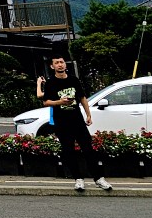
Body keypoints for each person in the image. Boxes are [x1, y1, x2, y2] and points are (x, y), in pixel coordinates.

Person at [37, 56, 110, 193]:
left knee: (88, 149)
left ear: (65, 64)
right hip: (62, 123)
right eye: (56, 63)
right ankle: (78, 179)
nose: (60, 65)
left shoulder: (73, 80)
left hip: (77, 120)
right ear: (52, 67)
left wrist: (88, 114)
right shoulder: (51, 83)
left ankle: (99, 178)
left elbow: (82, 97)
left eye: (62, 62)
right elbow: (46, 102)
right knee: (69, 151)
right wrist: (60, 102)